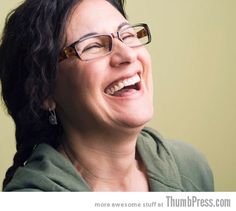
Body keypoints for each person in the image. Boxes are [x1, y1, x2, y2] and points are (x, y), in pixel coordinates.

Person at [0, 0, 214, 192]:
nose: (128, 55)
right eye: (93, 45)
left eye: (128, 35)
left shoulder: (191, 167)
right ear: (44, 91)